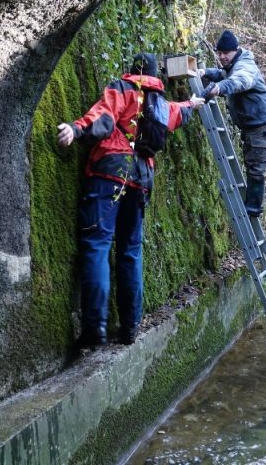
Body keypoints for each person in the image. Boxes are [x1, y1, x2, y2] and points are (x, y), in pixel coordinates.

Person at [57, 52, 204, 348]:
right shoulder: (160, 104)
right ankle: (130, 327)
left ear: (131, 70)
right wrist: (194, 104)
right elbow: (180, 112)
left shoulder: (124, 89)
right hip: (141, 181)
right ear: (153, 75)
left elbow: (104, 118)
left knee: (98, 245)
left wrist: (76, 129)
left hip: (110, 174)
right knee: (130, 251)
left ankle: (95, 329)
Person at [198, 30, 266, 218]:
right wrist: (205, 72)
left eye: (226, 53)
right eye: (220, 53)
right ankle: (251, 205)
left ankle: (252, 210)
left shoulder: (245, 66)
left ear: (236, 50)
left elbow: (241, 80)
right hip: (251, 122)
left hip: (261, 122)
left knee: (256, 166)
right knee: (252, 161)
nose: (222, 57)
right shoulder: (233, 65)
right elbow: (223, 73)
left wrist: (219, 88)